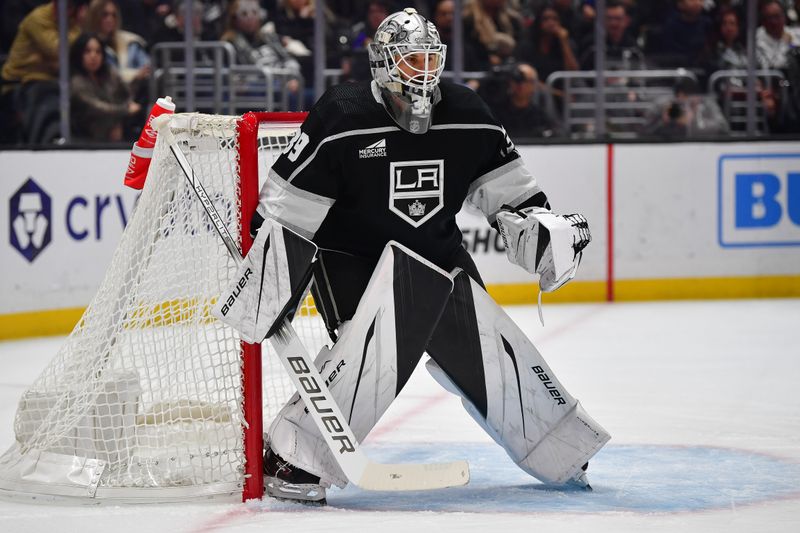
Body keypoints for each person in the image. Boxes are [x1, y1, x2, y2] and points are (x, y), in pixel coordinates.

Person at [245, 7, 609, 504]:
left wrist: (542, 235)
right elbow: (285, 210)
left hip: (438, 254)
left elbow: (516, 198)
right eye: (410, 60)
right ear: (382, 64)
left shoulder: (467, 113)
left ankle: (557, 443)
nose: (423, 72)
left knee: (485, 338)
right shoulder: (342, 115)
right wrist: (270, 277)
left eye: (428, 58)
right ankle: (296, 454)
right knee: (381, 345)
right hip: (353, 261)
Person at [69, 32, 142, 141]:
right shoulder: (76, 82)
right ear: (79, 54)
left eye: (98, 52)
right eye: (87, 51)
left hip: (117, 123)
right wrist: (125, 110)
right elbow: (98, 108)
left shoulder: (108, 71)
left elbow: (126, 91)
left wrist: (131, 101)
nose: (93, 56)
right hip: (88, 132)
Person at [492, 63, 562, 139]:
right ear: (510, 82)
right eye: (517, 79)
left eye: (525, 80)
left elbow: (556, 133)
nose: (520, 84)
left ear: (534, 85)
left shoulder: (540, 116)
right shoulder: (496, 113)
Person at [517, 3, 579, 83]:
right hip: (534, 90)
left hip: (561, 89)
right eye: (545, 19)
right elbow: (524, 74)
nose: (551, 23)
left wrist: (564, 42)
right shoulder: (527, 45)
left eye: (555, 19)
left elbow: (574, 73)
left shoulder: (567, 43)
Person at [756, 0, 800, 70]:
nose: (774, 22)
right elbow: (771, 66)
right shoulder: (756, 39)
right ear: (763, 20)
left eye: (777, 16)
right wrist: (784, 44)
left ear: (784, 16)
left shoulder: (796, 34)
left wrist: (791, 43)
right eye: (769, 17)